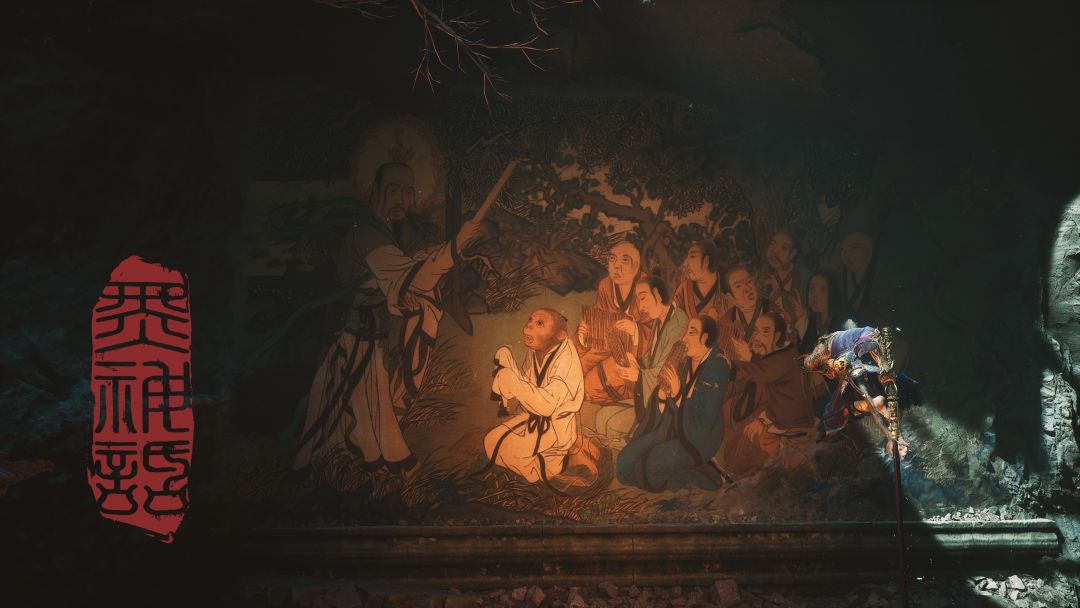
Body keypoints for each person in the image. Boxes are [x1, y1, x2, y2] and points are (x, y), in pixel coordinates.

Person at [292, 161, 483, 474]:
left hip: (373, 333)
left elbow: (408, 275)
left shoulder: (396, 233)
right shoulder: (366, 234)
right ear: (374, 192)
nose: (401, 199)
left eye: (407, 192)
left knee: (371, 396)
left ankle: (366, 461)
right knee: (342, 405)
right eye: (393, 190)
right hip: (347, 333)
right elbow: (413, 277)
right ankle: (345, 462)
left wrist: (407, 291)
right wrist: (457, 243)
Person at [616, 316, 731, 492]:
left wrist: (677, 394)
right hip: (671, 426)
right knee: (624, 464)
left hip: (698, 437)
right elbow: (664, 402)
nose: (684, 338)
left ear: (705, 338)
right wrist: (662, 396)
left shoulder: (718, 366)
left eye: (691, 333)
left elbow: (704, 419)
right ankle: (685, 466)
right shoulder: (684, 361)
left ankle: (705, 474)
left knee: (651, 465)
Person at [485, 308, 585, 484]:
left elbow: (547, 406)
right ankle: (534, 468)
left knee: (509, 451)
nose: (528, 326)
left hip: (555, 427)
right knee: (491, 441)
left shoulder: (566, 358)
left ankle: (549, 467)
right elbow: (528, 384)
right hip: (532, 418)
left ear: (560, 335)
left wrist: (512, 381)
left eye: (539, 324)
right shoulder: (536, 351)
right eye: (530, 320)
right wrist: (508, 368)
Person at [593, 273, 689, 449]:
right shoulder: (659, 321)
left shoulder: (679, 323)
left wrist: (638, 376)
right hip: (647, 394)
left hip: (662, 403)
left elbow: (666, 372)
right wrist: (636, 362)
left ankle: (638, 443)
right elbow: (651, 360)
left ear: (657, 294)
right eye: (638, 300)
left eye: (643, 298)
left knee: (610, 425)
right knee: (601, 417)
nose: (641, 306)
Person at [720, 312, 822, 477]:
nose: (758, 337)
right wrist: (763, 419)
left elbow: (758, 371)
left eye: (765, 332)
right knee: (735, 450)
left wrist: (728, 365)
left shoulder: (783, 359)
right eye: (756, 331)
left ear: (778, 336)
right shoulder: (785, 352)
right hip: (778, 420)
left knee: (738, 458)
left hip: (792, 429)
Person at [574, 242, 651, 404]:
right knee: (576, 367)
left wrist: (636, 330)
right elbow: (598, 316)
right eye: (612, 259)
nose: (616, 267)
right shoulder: (605, 285)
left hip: (634, 353)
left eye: (624, 261)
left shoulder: (646, 288)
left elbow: (658, 329)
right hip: (607, 345)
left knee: (591, 385)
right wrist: (584, 334)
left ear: (636, 266)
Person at [717, 265, 770, 363]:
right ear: (730, 297)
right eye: (738, 286)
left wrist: (750, 357)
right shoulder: (725, 323)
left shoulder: (772, 311)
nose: (747, 288)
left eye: (749, 281)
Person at [760, 230, 806, 331]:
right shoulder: (762, 274)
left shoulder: (804, 279)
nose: (775, 251)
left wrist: (779, 291)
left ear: (793, 254)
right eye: (772, 244)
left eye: (784, 248)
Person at [672, 240, 728, 323]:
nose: (684, 264)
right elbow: (673, 320)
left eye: (692, 256)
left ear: (706, 260)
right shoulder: (683, 289)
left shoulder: (726, 288)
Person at [796, 271, 851, 354]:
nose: (815, 294)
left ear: (833, 293)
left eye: (822, 290)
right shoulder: (810, 320)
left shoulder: (844, 323)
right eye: (811, 288)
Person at [839, 231, 876, 316]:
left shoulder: (880, 281)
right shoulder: (842, 280)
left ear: (869, 251)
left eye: (854, 248)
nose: (847, 255)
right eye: (843, 249)